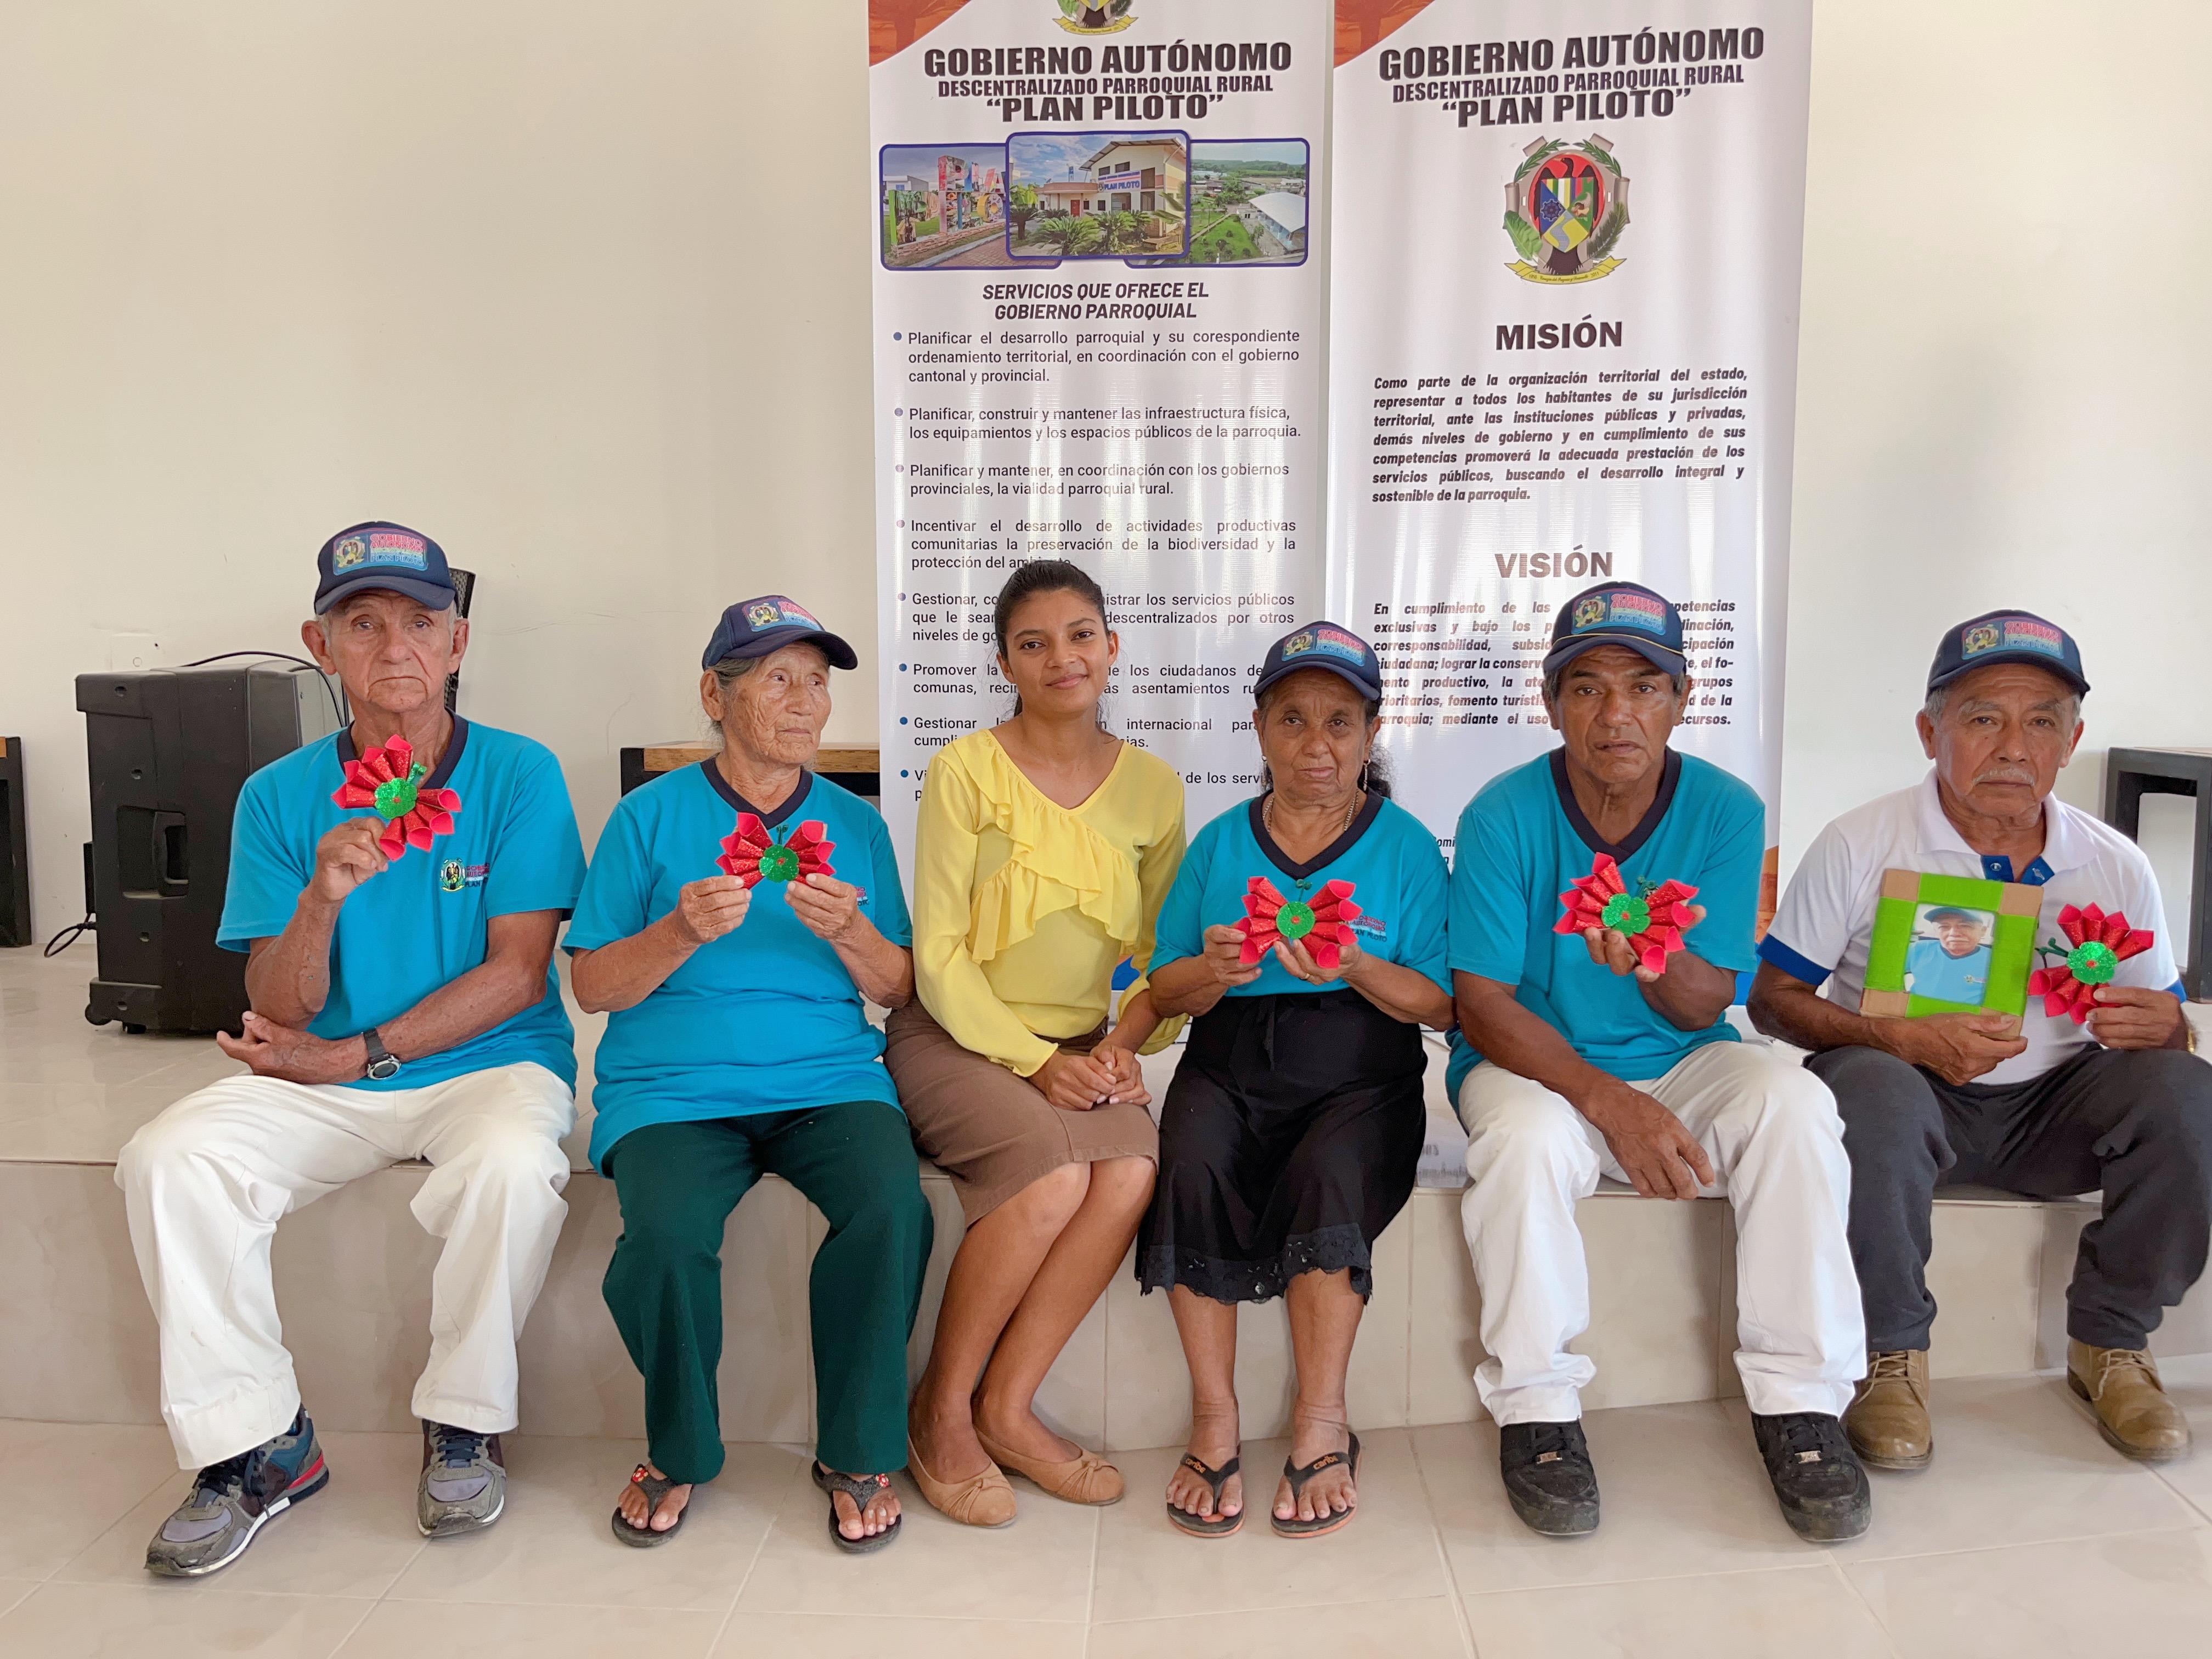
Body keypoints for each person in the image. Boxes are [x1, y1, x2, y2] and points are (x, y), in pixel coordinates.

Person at [117, 522, 587, 1576]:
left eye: (420, 621)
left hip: (487, 1063)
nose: (394, 646)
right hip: (322, 1074)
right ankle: (259, 1444)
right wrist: (322, 897)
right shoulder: (278, 795)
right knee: (168, 1156)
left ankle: (464, 1421)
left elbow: (519, 973)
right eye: (363, 623)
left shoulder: (518, 772)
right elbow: (275, 1000)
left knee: (514, 1165)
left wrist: (362, 1053)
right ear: (319, 645)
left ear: (457, 641)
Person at [1448, 582, 1871, 1544]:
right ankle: (1537, 1409)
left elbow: (1702, 1001)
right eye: (1587, 688)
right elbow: (1483, 1002)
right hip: (1536, 1066)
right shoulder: (1502, 813)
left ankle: (1801, 1403)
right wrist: (1609, 1103)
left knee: (1795, 1103)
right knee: (1522, 1141)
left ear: (1681, 699)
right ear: (1551, 703)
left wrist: (1649, 958)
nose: (1615, 714)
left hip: (1682, 1057)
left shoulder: (1725, 808)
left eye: (1643, 687)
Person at [1749, 610, 2211, 1467]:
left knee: (2190, 1090)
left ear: (2072, 743)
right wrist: (1896, 1037)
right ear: (1931, 734)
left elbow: (2165, 1025)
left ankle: (2111, 1343)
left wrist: (2171, 1026)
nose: (2013, 747)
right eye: (1984, 718)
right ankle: (1889, 1356)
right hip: (1909, 1106)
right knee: (1868, 1084)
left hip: (2056, 1115)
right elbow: (1773, 1003)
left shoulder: (2116, 862)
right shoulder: (1860, 842)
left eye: (2042, 722)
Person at [567, 596, 932, 1553]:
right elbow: (593, 985)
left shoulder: (856, 824)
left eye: (817, 680)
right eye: (778, 678)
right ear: (714, 696)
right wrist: (679, 931)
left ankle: (856, 1449)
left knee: (893, 1207)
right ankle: (681, 1446)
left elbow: (899, 986)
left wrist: (852, 931)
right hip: (673, 1092)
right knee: (665, 1239)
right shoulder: (646, 817)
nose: (807, 700)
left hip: (828, 1082)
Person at [1140, 623, 1452, 1539]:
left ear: (1371, 733)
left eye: (1340, 722)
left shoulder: (1405, 847)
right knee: (1189, 1158)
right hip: (1228, 1062)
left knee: (1329, 1174)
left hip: (1360, 1074)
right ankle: (1215, 1417)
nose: (1317, 743)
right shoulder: (1218, 844)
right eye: (1293, 720)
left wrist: (1355, 964)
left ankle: (1322, 1419)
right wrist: (1212, 971)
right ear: (1260, 729)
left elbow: (1440, 1002)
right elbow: (1163, 984)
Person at [890, 560, 1183, 1525]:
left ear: (1112, 646)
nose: (1063, 657)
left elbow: (1161, 953)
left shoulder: (1153, 787)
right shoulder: (964, 770)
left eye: (1081, 634)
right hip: (956, 1036)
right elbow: (937, 954)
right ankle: (939, 1411)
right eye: (1033, 642)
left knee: (1129, 1170)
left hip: (1081, 1042)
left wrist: (1125, 1043)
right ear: (1005, 663)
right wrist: (1036, 1062)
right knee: (1052, 1179)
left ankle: (1007, 1409)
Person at [1904, 907, 1993, 1006]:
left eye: (1965, 926)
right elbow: (1890, 971)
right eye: (1944, 927)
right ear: (1936, 931)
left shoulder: (1994, 960)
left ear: (1983, 931)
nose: (1954, 933)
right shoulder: (1918, 949)